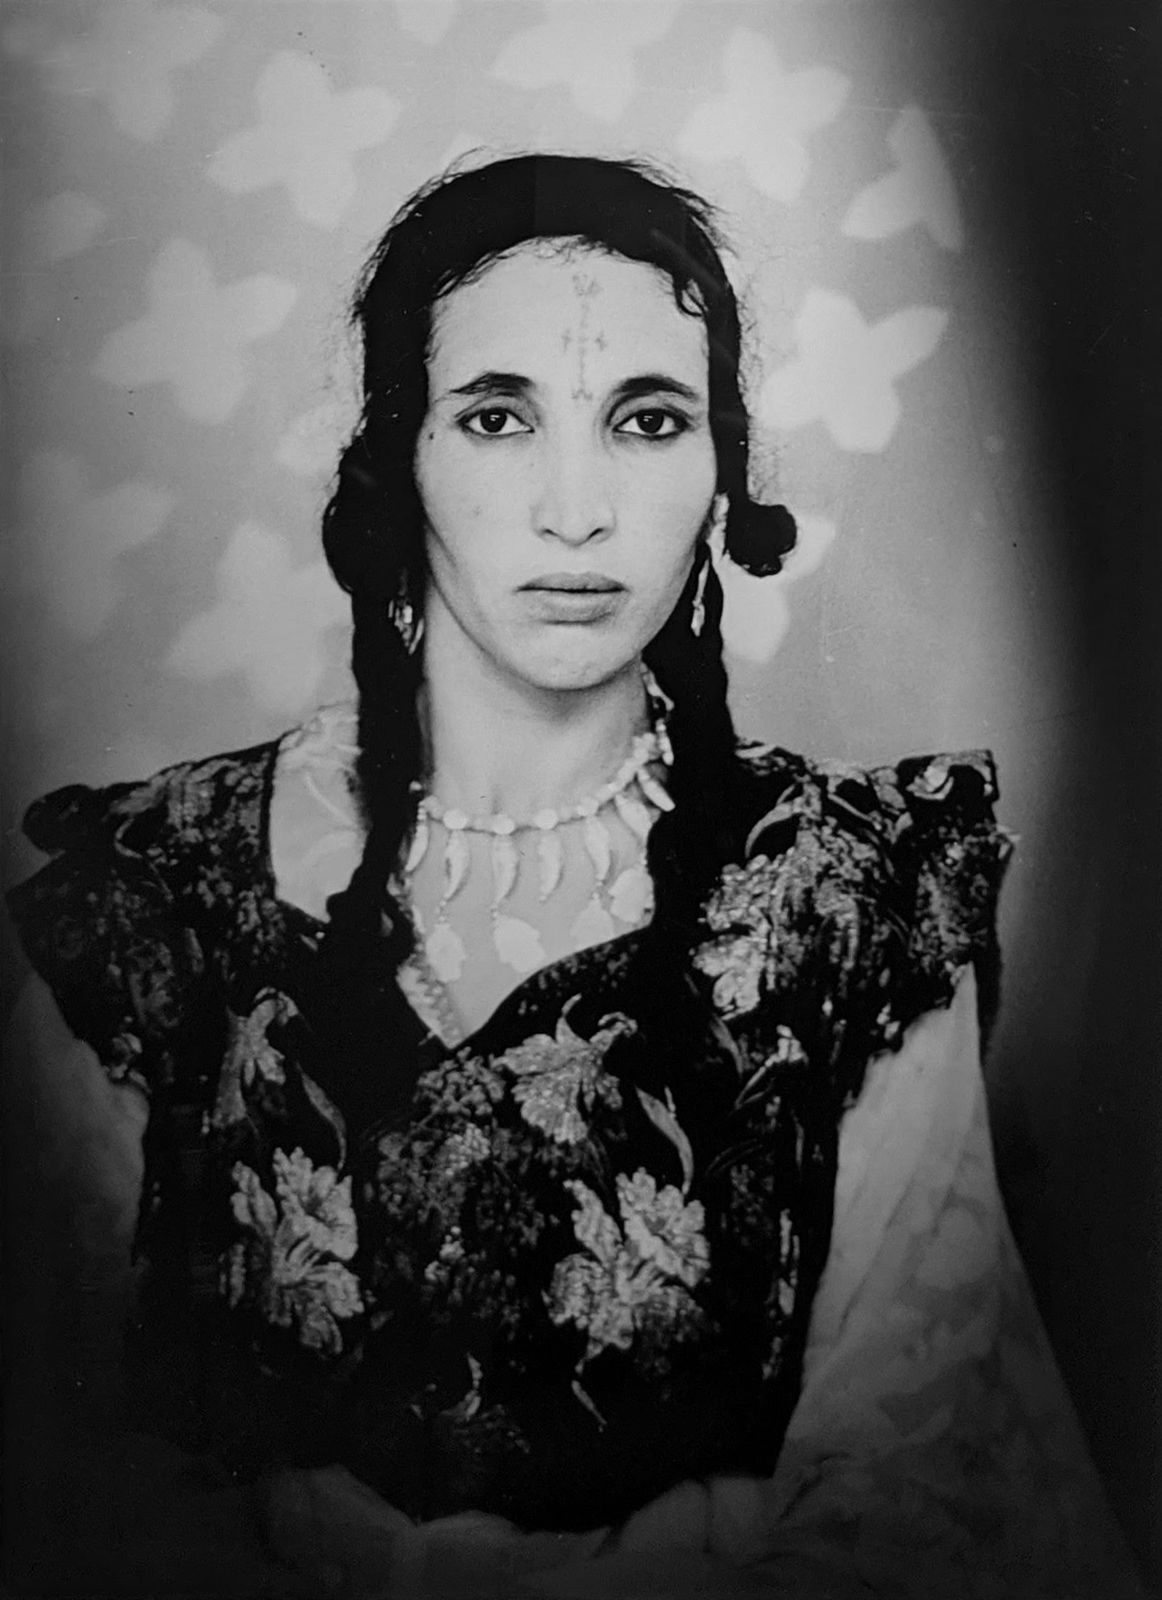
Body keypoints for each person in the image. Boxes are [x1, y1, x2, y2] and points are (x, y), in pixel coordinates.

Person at [2, 154, 1142, 1598]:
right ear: (394, 459)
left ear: (722, 469)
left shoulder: (840, 895)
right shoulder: (167, 890)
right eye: (494, 418)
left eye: (647, 421)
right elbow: (62, 1462)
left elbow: (909, 1475)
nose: (576, 507)